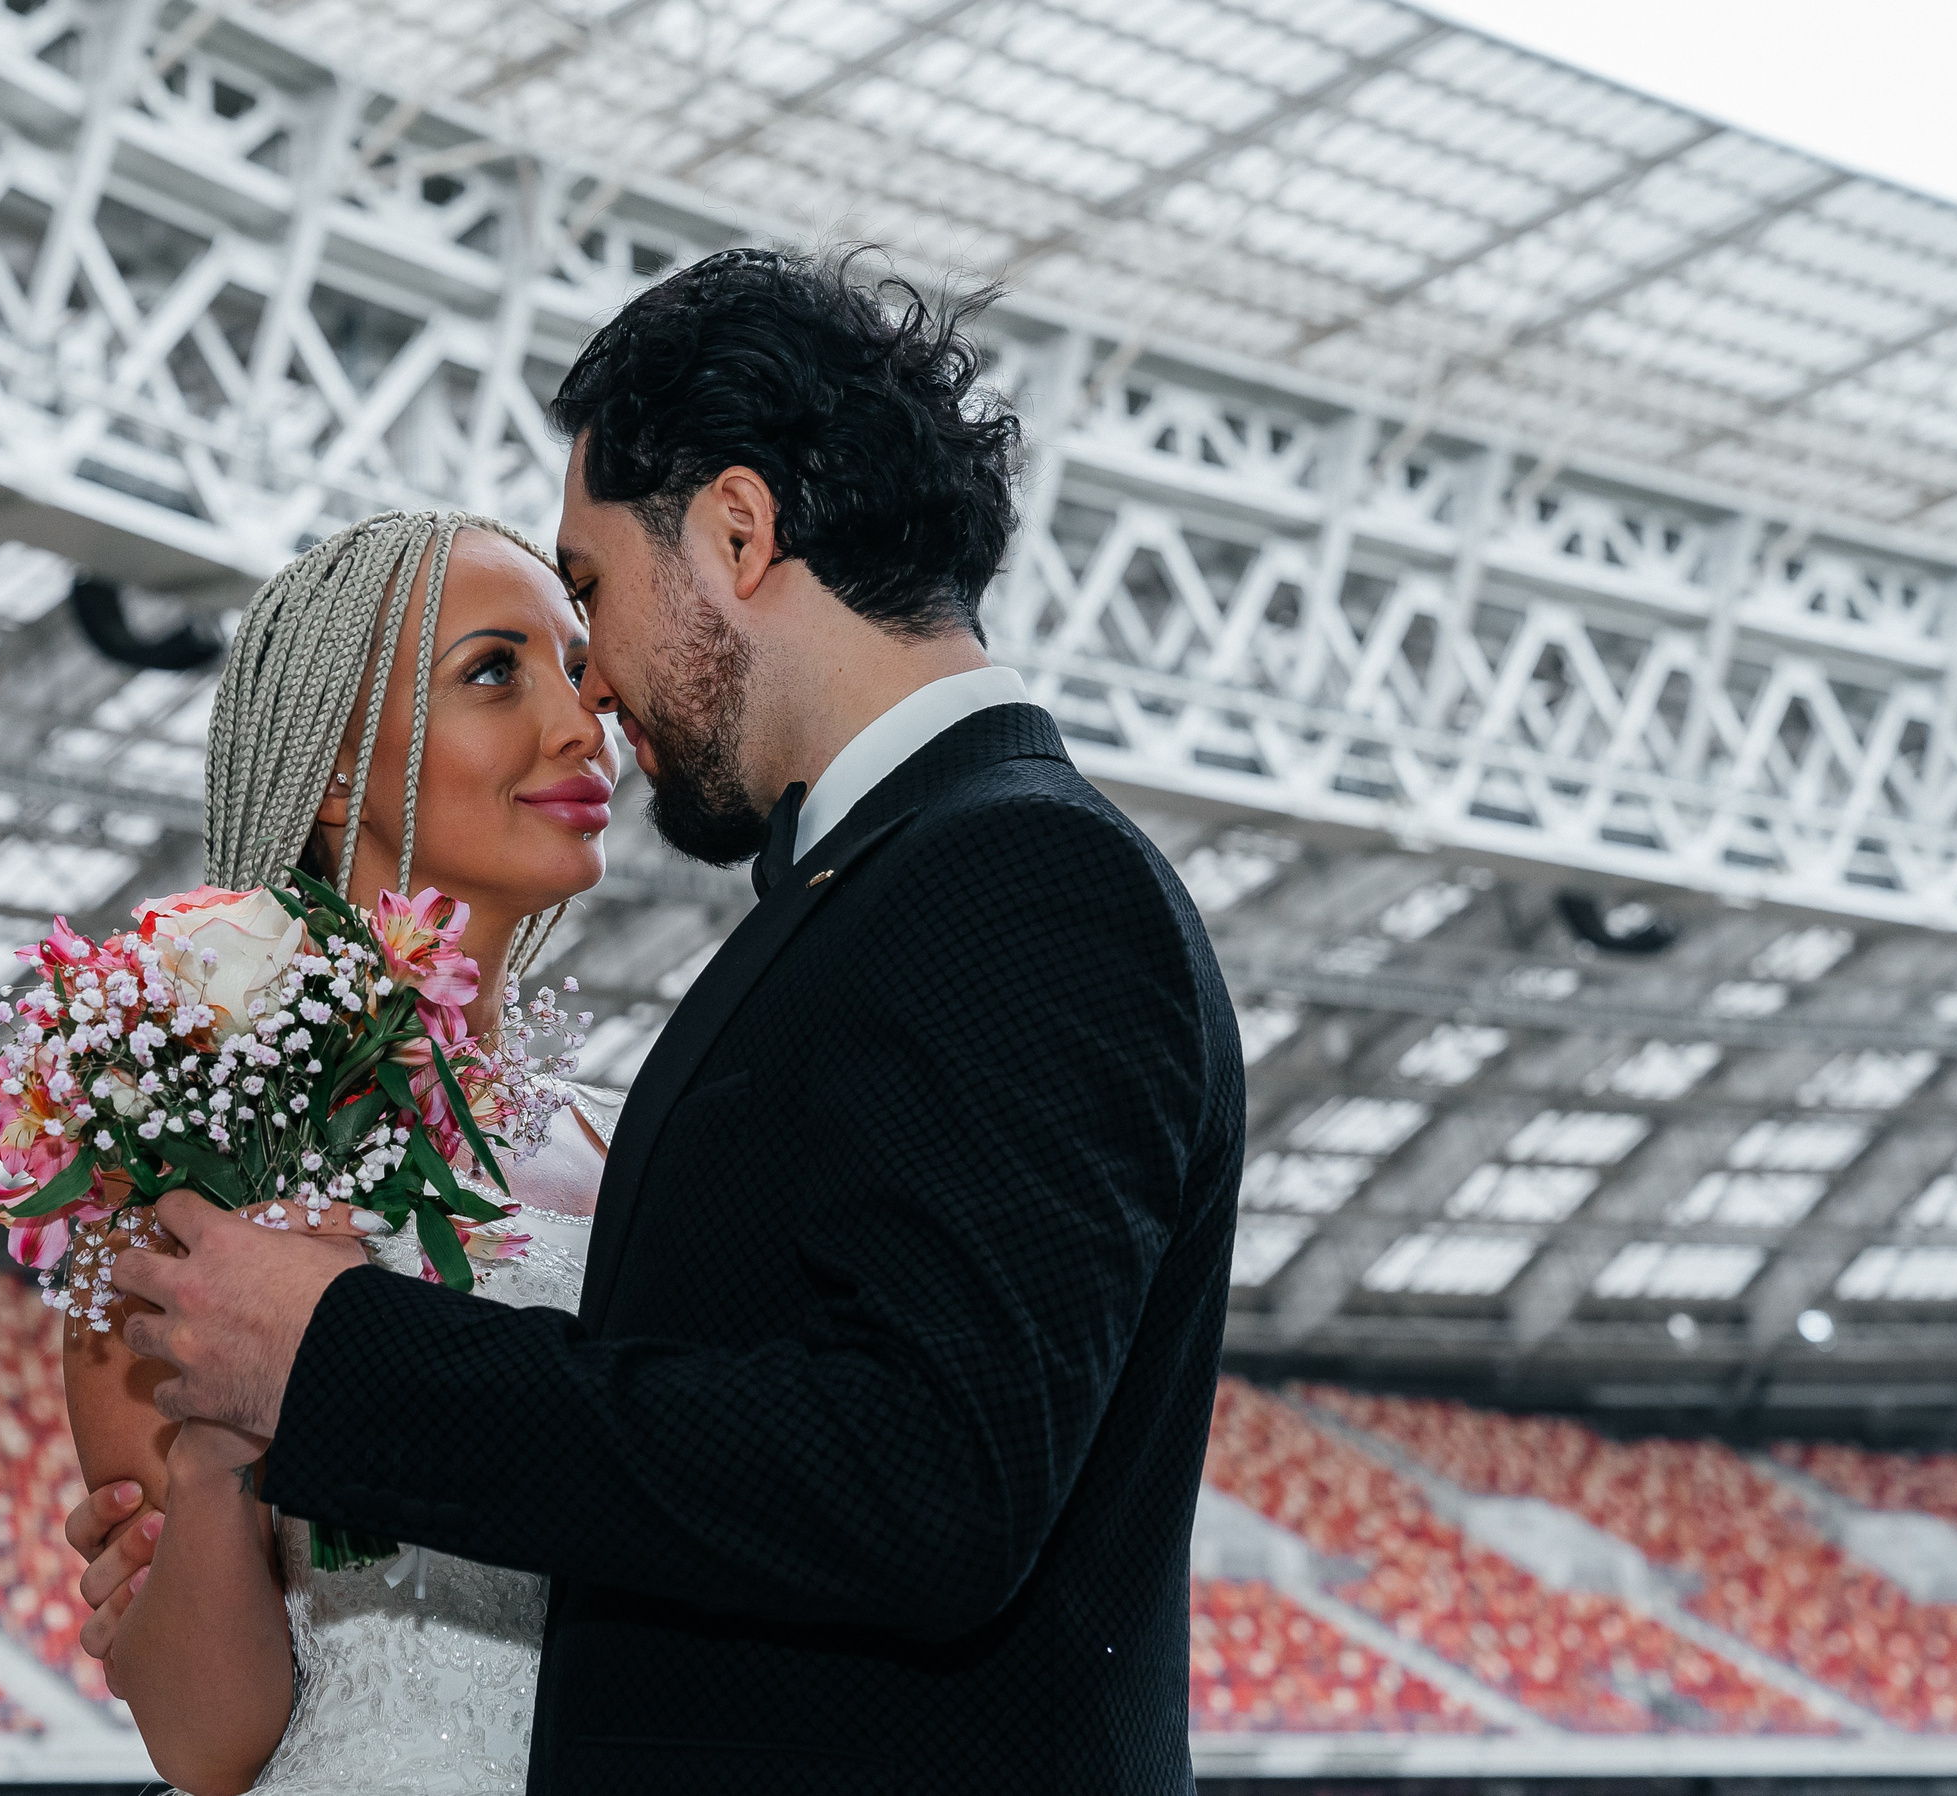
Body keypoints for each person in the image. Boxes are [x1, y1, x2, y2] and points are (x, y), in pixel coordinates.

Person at [71, 246, 1246, 1793]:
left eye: (592, 602)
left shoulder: (1004, 878)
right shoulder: (864, 902)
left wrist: (343, 1363)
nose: (594, 703)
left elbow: (926, 1478)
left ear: (739, 532)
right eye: (505, 667)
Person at [60, 509, 622, 1793]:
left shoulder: (645, 1139)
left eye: (578, 665)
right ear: (326, 768)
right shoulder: (188, 1161)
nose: (582, 721)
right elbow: (208, 1743)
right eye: (495, 670)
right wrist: (214, 1456)